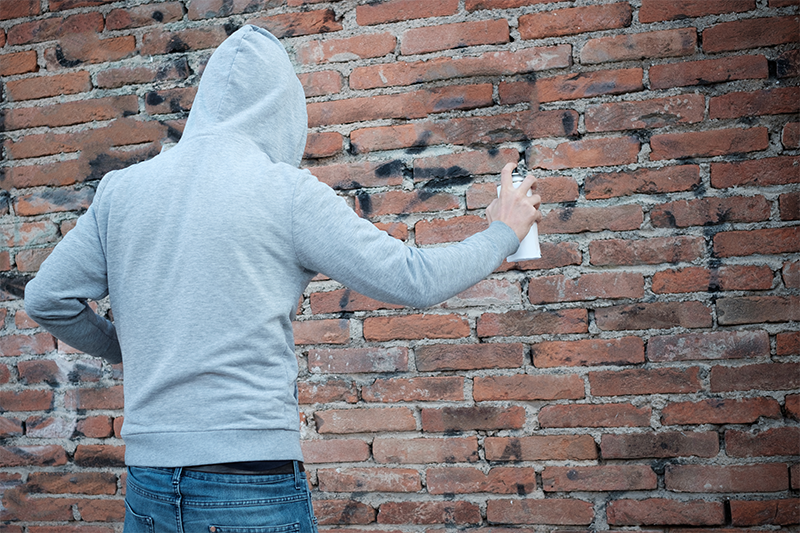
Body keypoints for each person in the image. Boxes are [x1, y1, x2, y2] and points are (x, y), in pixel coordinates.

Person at [24, 24, 541, 533]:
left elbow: (48, 299)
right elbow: (414, 279)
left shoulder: (122, 191)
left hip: (148, 486)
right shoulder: (285, 193)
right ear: (284, 109)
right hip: (250, 487)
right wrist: (502, 232)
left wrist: (130, 348)